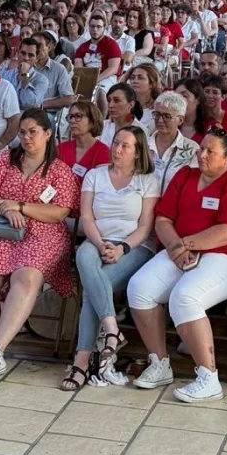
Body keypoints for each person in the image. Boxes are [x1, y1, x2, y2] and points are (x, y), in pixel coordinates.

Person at [126, 128, 227, 402]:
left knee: (185, 296)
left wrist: (186, 244)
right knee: (139, 288)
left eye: (211, 151)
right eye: (201, 149)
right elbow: (163, 219)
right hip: (179, 250)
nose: (202, 154)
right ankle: (159, 363)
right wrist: (176, 247)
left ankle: (209, 378)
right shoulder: (185, 175)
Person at [0, 109, 78, 381]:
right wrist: (7, 210)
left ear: (48, 134)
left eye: (33, 132)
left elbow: (60, 212)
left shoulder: (59, 170)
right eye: (23, 132)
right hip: (2, 227)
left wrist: (20, 206)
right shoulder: (6, 160)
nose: (27, 138)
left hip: (43, 233)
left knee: (26, 276)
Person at [65, 125, 160, 390]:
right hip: (97, 239)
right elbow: (87, 218)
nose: (117, 149)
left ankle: (81, 362)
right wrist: (99, 243)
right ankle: (112, 328)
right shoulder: (95, 175)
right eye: (116, 143)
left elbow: (145, 227)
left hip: (134, 245)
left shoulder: (147, 180)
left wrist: (122, 249)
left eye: (125, 146)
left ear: (137, 152)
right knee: (84, 256)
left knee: (95, 286)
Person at [148, 91, 200, 191]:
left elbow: (191, 184)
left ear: (180, 120)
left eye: (167, 116)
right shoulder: (142, 145)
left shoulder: (192, 149)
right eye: (157, 114)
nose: (160, 120)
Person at [59, 99, 110, 178]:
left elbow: (100, 183)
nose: (72, 120)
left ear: (92, 121)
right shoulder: (61, 148)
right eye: (70, 117)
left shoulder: (103, 152)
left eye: (78, 116)